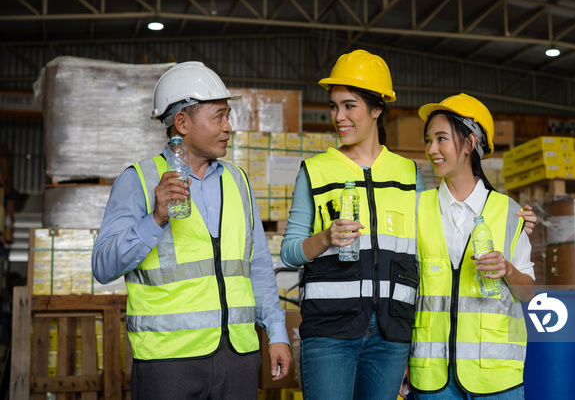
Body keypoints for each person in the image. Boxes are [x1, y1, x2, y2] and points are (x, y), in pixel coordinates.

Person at [280, 51, 537, 400]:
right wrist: (325, 238)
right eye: (334, 106)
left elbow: (445, 236)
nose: (339, 116)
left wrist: (514, 228)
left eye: (350, 105)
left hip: (400, 338)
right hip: (339, 331)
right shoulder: (318, 171)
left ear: (376, 109)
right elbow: (290, 251)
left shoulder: (410, 177)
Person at [92, 61, 291, 400]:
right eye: (219, 116)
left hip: (238, 357)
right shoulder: (137, 181)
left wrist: (277, 333)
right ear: (182, 122)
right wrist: (154, 219)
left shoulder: (238, 181)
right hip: (169, 363)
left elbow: (256, 265)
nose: (228, 127)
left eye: (228, 116)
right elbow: (103, 266)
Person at [406, 94, 535, 400]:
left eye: (441, 139)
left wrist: (507, 269)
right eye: (428, 140)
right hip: (431, 375)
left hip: (496, 376)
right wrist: (401, 359)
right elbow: (406, 293)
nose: (431, 150)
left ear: (468, 144)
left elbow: (529, 292)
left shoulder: (508, 211)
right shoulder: (417, 208)